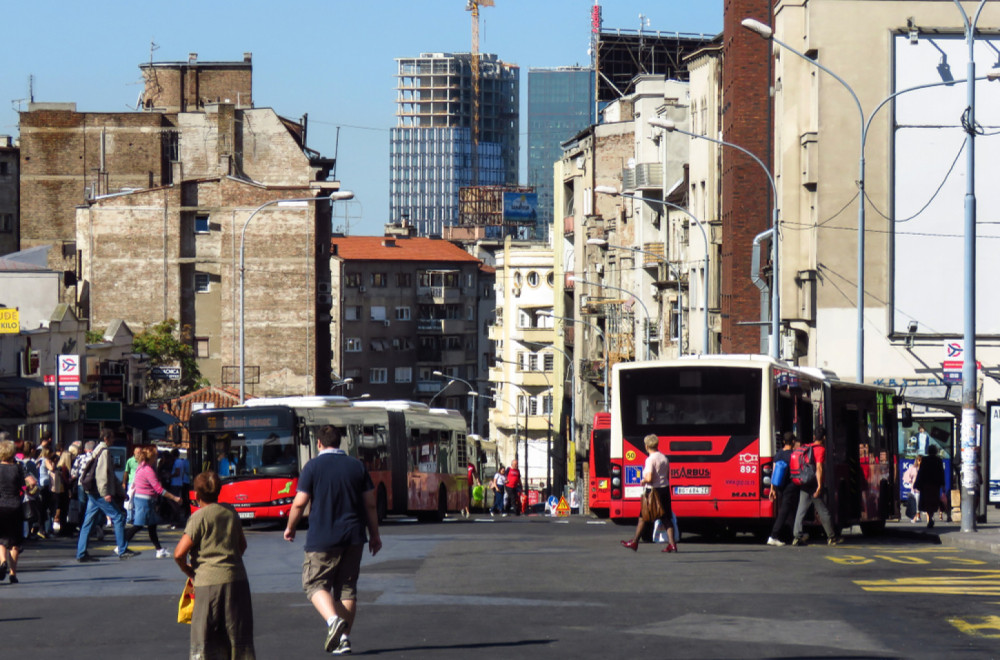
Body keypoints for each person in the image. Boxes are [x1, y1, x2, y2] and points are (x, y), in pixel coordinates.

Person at [284, 425, 381, 656]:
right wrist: (375, 534)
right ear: (340, 443)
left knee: (315, 583)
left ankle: (333, 621)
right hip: (354, 536)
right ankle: (343, 640)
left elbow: (299, 503)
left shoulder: (313, 467)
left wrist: (291, 527)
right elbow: (370, 504)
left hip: (322, 537)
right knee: (346, 588)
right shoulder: (357, 466)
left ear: (319, 443)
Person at [174, 471, 255, 659]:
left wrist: (189, 570)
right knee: (237, 635)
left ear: (197, 494)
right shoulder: (230, 512)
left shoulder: (198, 517)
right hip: (237, 580)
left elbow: (179, 553)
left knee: (205, 637)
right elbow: (242, 545)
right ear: (219, 491)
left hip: (208, 582)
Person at [76, 429, 138, 562]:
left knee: (88, 522)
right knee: (118, 517)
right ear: (106, 438)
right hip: (99, 492)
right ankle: (122, 549)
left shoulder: (96, 451)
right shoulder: (104, 452)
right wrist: (106, 493)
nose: (113, 440)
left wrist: (121, 492)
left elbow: (110, 475)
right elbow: (103, 475)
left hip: (92, 491)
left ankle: (81, 553)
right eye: (112, 438)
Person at [621, 434, 677, 553]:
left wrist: (643, 480)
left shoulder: (650, 459)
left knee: (643, 517)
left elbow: (650, 477)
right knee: (666, 518)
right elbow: (667, 475)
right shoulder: (664, 458)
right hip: (664, 489)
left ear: (646, 446)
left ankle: (635, 542)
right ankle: (672, 544)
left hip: (653, 491)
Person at [128, 446, 183, 558]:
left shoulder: (141, 467)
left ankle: (159, 549)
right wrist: (174, 498)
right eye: (155, 456)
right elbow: (158, 489)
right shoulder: (148, 470)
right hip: (145, 500)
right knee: (138, 525)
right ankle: (121, 544)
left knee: (152, 526)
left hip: (143, 499)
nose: (157, 458)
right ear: (151, 457)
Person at [792, 427, 842, 546]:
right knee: (823, 511)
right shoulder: (820, 450)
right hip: (814, 483)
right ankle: (831, 537)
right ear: (824, 438)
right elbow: (819, 468)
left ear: (814, 437)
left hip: (804, 482)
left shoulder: (807, 447)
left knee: (801, 510)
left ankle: (797, 536)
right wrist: (819, 485)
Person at [1, 437, 38, 584]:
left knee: (1, 539)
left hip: (0, 506)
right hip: (16, 506)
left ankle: (2, 561)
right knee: (15, 541)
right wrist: (28, 489)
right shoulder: (18, 467)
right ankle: (12, 573)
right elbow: (33, 481)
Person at [766, 432, 799, 546]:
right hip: (790, 486)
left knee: (790, 510)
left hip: (780, 486)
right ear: (793, 442)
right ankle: (773, 535)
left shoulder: (779, 454)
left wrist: (772, 489)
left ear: (784, 442)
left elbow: (774, 473)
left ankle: (797, 533)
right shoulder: (794, 455)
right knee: (785, 511)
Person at [914, 444, 946, 529]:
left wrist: (917, 484)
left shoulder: (925, 460)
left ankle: (930, 517)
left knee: (927, 501)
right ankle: (931, 517)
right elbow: (941, 473)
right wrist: (943, 485)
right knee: (933, 501)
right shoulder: (938, 460)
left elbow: (921, 472)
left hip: (926, 484)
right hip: (935, 484)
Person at [169, 448, 191, 527]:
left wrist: (169, 475)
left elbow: (177, 472)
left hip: (177, 483)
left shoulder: (178, 462)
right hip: (180, 482)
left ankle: (177, 517)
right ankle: (176, 517)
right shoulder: (182, 461)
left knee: (174, 500)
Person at [122, 445, 142, 525]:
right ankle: (129, 518)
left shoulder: (143, 461)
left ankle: (136, 518)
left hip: (140, 483)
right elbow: (126, 472)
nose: (139, 454)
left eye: (140, 452)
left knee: (137, 501)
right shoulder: (130, 461)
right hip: (131, 483)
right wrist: (124, 482)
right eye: (137, 452)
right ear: (134, 452)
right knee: (130, 500)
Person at [903, 457, 922, 523]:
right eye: (919, 460)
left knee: (919, 503)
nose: (920, 461)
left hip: (922, 488)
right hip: (915, 488)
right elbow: (906, 475)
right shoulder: (913, 468)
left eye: (921, 460)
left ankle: (919, 516)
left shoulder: (924, 468)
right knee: (915, 502)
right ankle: (914, 517)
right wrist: (910, 481)